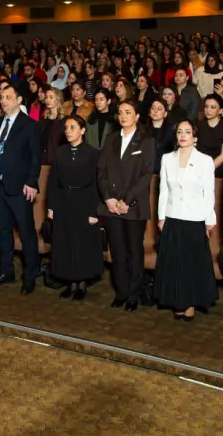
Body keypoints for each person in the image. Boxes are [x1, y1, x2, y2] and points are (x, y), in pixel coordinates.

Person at [0, 84, 42, 295]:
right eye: (2, 97)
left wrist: (32, 182)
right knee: (3, 232)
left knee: (26, 234)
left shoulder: (30, 125)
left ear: (19, 100)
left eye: (8, 97)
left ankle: (30, 276)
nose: (4, 100)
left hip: (19, 188)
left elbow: (35, 158)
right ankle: (6, 272)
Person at [154, 119, 217, 321]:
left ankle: (189, 303)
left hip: (194, 218)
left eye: (187, 132)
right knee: (174, 263)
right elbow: (163, 190)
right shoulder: (167, 158)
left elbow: (209, 193)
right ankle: (177, 301)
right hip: (172, 217)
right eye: (179, 131)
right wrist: (161, 217)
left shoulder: (205, 161)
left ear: (195, 137)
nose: (183, 135)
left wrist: (209, 220)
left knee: (190, 264)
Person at [97, 99, 155, 311]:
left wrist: (125, 200)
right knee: (117, 252)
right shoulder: (110, 139)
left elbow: (145, 175)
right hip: (112, 205)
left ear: (137, 116)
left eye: (128, 112)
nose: (123, 116)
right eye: (120, 112)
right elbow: (101, 172)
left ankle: (133, 294)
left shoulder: (146, 141)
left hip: (133, 205)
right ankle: (121, 292)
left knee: (133, 251)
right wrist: (109, 198)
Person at [47, 115, 102, 300]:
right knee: (66, 243)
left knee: (82, 244)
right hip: (64, 202)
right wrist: (51, 206)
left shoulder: (93, 153)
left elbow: (97, 183)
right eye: (66, 128)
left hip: (84, 202)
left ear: (83, 130)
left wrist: (95, 211)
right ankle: (70, 283)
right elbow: (53, 181)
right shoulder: (60, 152)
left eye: (72, 127)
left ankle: (82, 285)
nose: (68, 131)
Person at [197, 93, 223, 178]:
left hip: (217, 167)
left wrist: (207, 170)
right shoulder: (199, 125)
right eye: (206, 107)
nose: (208, 110)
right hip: (199, 165)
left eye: (212, 107)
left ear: (220, 110)